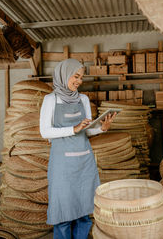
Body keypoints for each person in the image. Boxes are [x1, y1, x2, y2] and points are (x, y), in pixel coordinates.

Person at [40, 58, 116, 239]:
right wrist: (73, 128)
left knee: (84, 212)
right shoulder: (51, 99)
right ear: (64, 74)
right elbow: (45, 132)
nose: (79, 81)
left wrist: (101, 129)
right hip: (62, 165)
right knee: (63, 214)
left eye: (81, 78)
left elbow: (86, 132)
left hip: (84, 162)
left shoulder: (83, 99)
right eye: (76, 76)